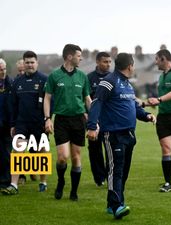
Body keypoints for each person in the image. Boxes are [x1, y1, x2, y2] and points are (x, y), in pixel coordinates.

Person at [87, 53, 156, 219]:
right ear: (130, 66)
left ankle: (113, 203)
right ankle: (118, 206)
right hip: (113, 135)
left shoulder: (128, 85)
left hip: (129, 135)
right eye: (133, 66)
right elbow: (97, 103)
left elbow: (132, 106)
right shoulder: (109, 81)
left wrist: (146, 115)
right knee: (115, 171)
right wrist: (91, 126)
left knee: (123, 172)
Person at [44, 44, 91, 201]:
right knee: (63, 157)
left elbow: (87, 98)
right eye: (79, 55)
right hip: (61, 120)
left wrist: (93, 117)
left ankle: (74, 191)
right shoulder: (55, 75)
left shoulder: (82, 76)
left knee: (76, 157)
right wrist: (47, 118)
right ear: (70, 57)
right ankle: (61, 182)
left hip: (78, 120)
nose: (81, 58)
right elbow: (47, 98)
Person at [1, 51, 48, 195]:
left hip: (39, 123)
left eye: (32, 62)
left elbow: (49, 101)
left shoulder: (44, 80)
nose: (29, 65)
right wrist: (13, 124)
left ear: (37, 63)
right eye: (27, 62)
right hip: (21, 123)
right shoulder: (17, 82)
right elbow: (13, 105)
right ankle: (14, 185)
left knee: (41, 152)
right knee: (18, 151)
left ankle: (43, 181)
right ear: (24, 63)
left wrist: (48, 119)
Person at [147, 49, 171, 192]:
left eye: (157, 59)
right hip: (163, 117)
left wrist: (159, 99)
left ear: (164, 59)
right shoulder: (161, 77)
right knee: (166, 149)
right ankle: (167, 182)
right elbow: (162, 97)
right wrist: (149, 103)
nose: (155, 62)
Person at [87, 52, 112, 186]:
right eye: (105, 62)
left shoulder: (113, 77)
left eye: (109, 62)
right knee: (95, 150)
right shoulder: (89, 78)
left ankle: (110, 175)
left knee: (110, 150)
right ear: (97, 62)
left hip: (110, 120)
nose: (108, 64)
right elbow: (85, 99)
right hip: (94, 120)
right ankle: (99, 178)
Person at [0, 58, 13, 190]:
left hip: (8, 125)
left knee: (7, 153)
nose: (3, 72)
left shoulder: (12, 83)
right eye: (0, 70)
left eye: (4, 69)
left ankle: (7, 180)